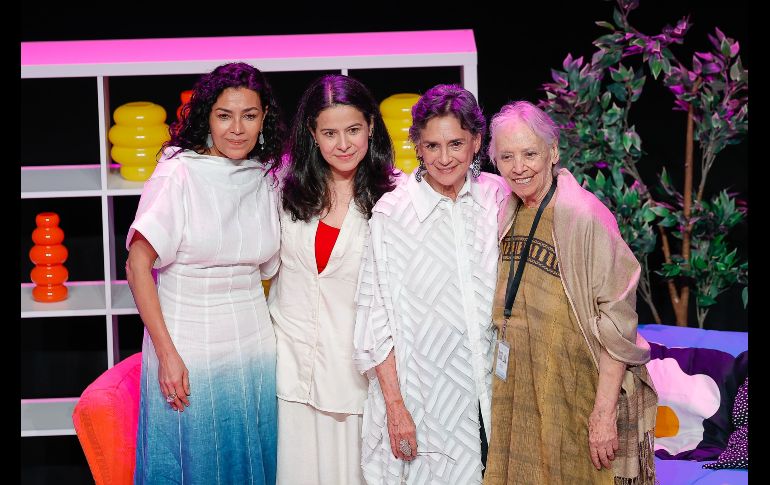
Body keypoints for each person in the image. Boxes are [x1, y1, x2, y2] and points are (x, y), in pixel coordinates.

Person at [125, 61, 286, 484]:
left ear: (264, 118)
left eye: (249, 116)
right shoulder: (179, 172)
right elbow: (137, 265)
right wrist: (167, 354)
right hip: (189, 343)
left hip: (254, 346)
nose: (237, 128)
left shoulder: (266, 177)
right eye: (224, 115)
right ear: (207, 117)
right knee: (195, 465)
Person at [482, 101, 658, 484]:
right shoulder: (507, 210)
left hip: (576, 394)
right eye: (507, 156)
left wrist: (603, 413)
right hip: (522, 392)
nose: (519, 166)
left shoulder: (584, 216)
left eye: (530, 153)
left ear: (553, 152)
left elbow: (617, 320)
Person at [353, 84, 510, 484]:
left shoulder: (497, 197)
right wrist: (395, 406)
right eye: (432, 145)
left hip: (495, 390)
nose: (444, 158)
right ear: (417, 146)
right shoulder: (393, 213)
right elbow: (374, 320)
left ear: (477, 141)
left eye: (456, 143)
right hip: (424, 399)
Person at [269, 74, 398, 485]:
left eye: (353, 130)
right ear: (312, 133)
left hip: (355, 381)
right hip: (289, 373)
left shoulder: (392, 199)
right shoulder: (282, 189)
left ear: (372, 127)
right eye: (329, 133)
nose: (343, 144)